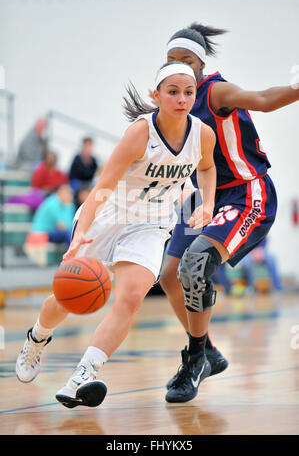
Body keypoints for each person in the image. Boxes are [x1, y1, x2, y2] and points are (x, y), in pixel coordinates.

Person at [15, 62, 217, 409]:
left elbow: (207, 167)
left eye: (189, 92)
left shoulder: (202, 134)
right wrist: (79, 234)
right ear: (157, 96)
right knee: (68, 297)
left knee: (130, 299)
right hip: (110, 214)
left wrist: (208, 202)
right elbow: (102, 187)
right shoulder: (140, 134)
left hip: (150, 226)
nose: (182, 99)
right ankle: (36, 338)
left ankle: (85, 374)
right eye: (173, 92)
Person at [154, 22, 299, 404]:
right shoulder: (174, 97)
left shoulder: (214, 90)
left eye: (186, 59)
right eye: (172, 60)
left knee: (196, 263)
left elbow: (263, 98)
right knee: (169, 274)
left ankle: (196, 358)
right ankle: (209, 352)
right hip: (204, 195)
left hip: (245, 193)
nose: (179, 65)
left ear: (201, 62)